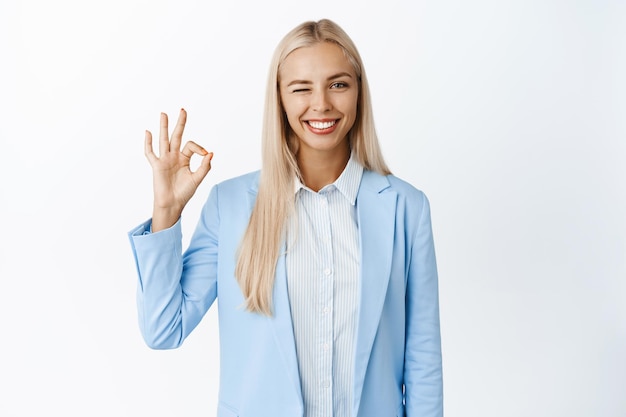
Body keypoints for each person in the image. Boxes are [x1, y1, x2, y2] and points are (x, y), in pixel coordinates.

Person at [128, 18, 443, 417]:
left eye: (338, 84)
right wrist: (166, 213)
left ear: (359, 92)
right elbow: (163, 329)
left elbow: (423, 361)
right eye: (301, 88)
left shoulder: (406, 208)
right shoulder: (230, 206)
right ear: (279, 98)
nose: (322, 103)